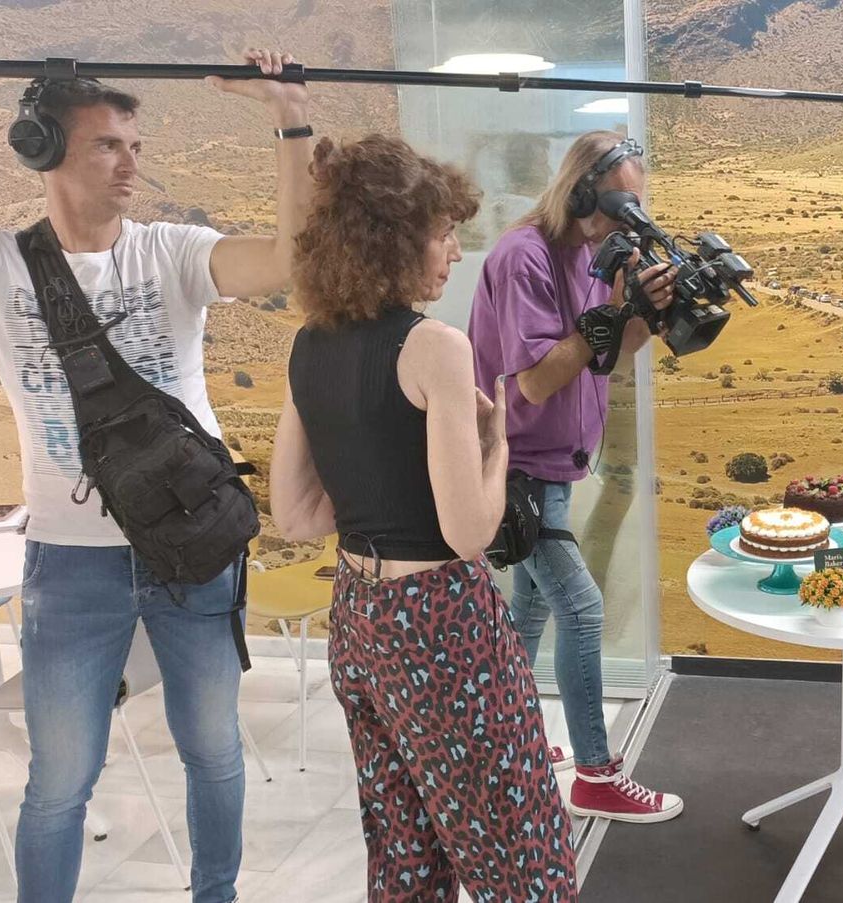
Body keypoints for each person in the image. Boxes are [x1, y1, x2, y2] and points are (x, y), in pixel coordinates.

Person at [0, 49, 311, 903]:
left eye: (135, 142)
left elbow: (287, 258)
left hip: (193, 545)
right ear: (42, 148)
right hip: (69, 560)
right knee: (59, 781)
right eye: (107, 146)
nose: (133, 163)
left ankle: (218, 894)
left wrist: (287, 115)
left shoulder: (172, 252)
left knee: (213, 750)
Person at [268, 134, 577, 901]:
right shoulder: (433, 345)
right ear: (396, 241)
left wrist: (385, 471)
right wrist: (494, 444)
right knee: (519, 849)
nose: (452, 251)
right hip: (441, 624)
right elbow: (470, 531)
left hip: (359, 623)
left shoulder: (309, 346)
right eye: (442, 233)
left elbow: (298, 514)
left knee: (406, 852)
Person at [466, 130, 684, 823]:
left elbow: (608, 354)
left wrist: (645, 310)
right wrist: (611, 313)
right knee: (582, 609)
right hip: (518, 464)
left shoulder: (593, 253)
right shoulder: (522, 254)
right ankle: (596, 774)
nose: (628, 220)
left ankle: (508, 745)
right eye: (622, 204)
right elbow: (531, 380)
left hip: (555, 463)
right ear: (584, 190)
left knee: (528, 611)